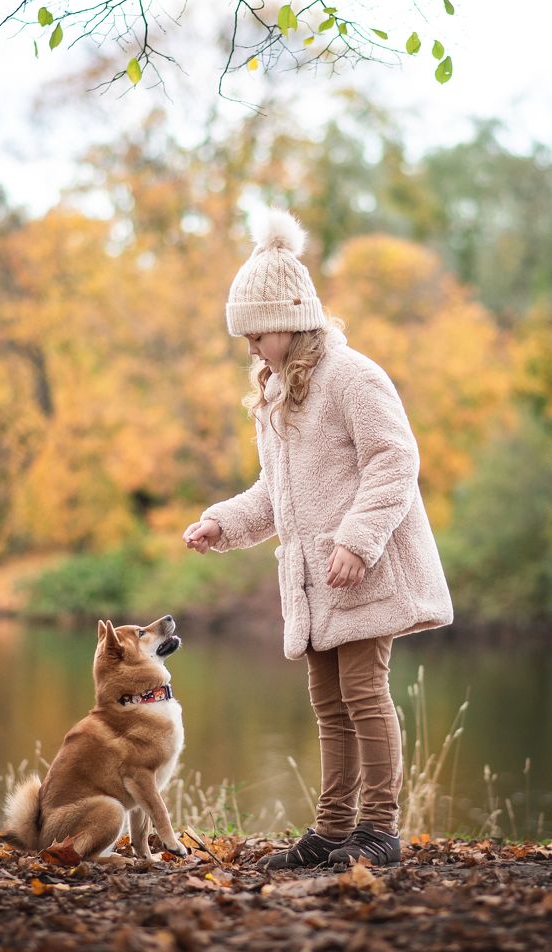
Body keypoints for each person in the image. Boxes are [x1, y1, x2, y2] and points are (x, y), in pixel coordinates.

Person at [182, 207, 453, 870]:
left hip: (363, 570)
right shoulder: (278, 395)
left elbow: (396, 458)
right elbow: (276, 495)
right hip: (313, 581)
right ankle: (332, 830)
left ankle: (379, 829)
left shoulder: (352, 376)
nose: (248, 347)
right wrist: (222, 522)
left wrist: (358, 541)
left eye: (255, 332)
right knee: (328, 704)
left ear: (290, 319)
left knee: (364, 695)